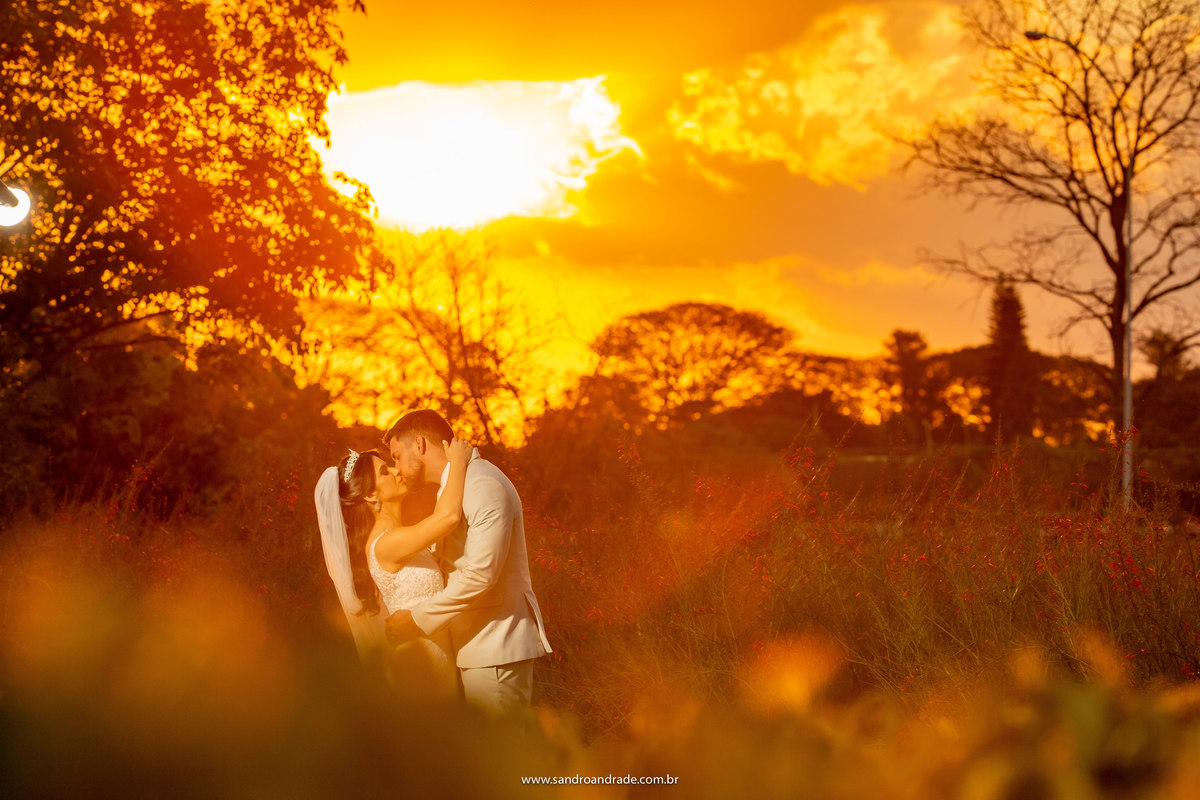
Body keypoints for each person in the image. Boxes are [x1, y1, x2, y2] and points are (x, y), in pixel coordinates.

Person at [383, 410, 552, 717]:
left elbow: (480, 574)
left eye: (396, 455)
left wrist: (417, 617)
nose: (397, 468)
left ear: (419, 445)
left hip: (495, 645)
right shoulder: (457, 485)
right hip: (475, 647)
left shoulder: (482, 484)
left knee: (501, 757)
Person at [313, 438, 473, 695]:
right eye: (385, 472)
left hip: (438, 655)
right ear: (370, 494)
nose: (397, 471)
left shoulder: (400, 535)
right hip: (419, 663)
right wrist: (458, 462)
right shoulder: (386, 543)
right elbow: (448, 517)